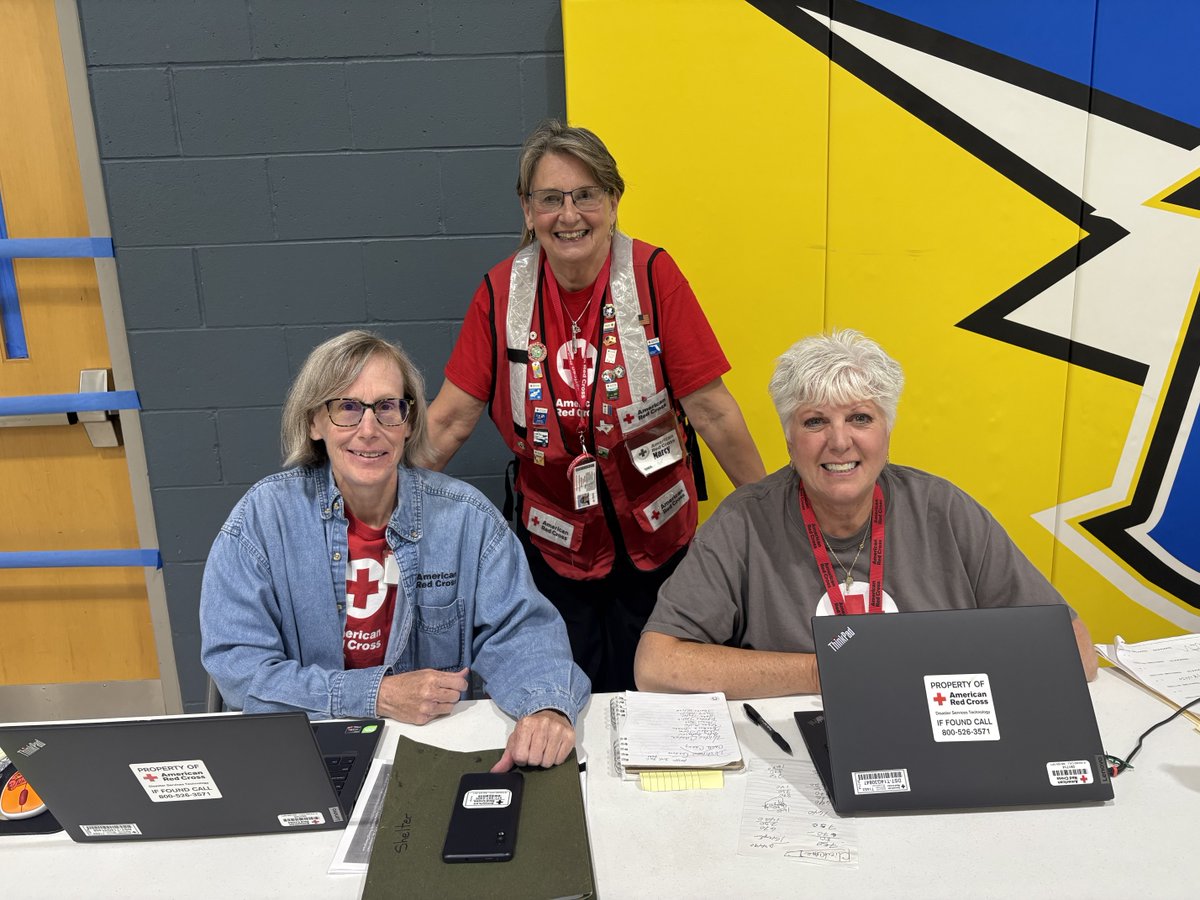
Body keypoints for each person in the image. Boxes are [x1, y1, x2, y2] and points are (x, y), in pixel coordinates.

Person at [426, 120, 766, 693]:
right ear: (527, 209)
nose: (569, 215)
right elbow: (449, 421)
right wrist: (373, 506)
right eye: (550, 199)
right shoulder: (499, 291)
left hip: (660, 539)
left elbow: (712, 410)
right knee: (568, 700)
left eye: (586, 195)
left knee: (661, 700)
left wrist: (769, 512)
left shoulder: (655, 275)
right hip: (555, 547)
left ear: (613, 200)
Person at [200, 331, 589, 771]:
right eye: (346, 408)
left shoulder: (467, 520)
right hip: (306, 751)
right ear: (314, 423)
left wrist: (545, 707)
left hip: (435, 750)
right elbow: (239, 667)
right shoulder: (263, 520)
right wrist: (377, 696)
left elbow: (522, 633)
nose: (369, 430)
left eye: (387, 407)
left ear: (408, 422)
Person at [635, 329, 1098, 697]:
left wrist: (936, 676)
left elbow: (1076, 651)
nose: (839, 442)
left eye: (860, 418)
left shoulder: (944, 510)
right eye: (815, 421)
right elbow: (657, 665)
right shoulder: (744, 522)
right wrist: (825, 672)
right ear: (789, 440)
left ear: (887, 432)